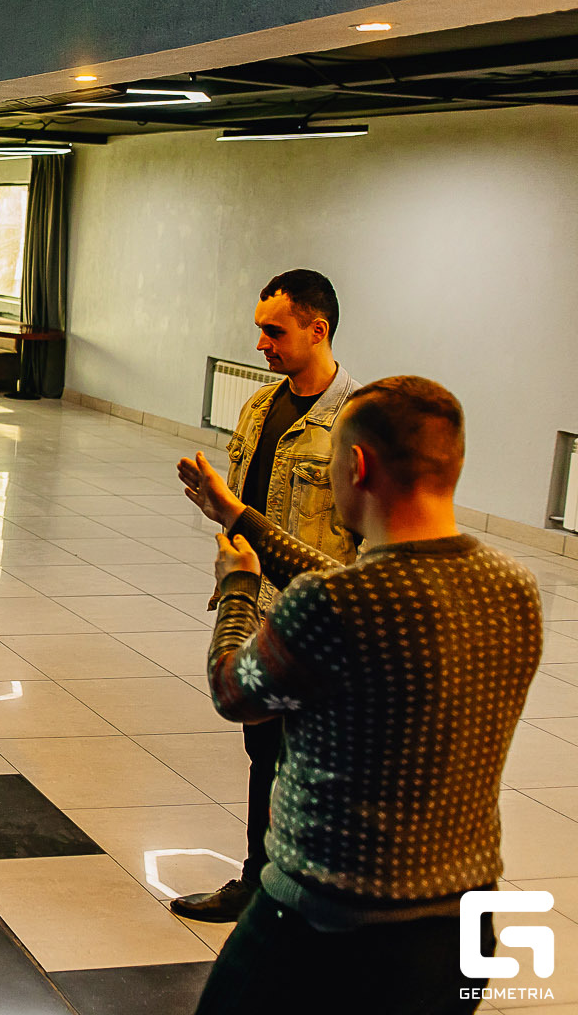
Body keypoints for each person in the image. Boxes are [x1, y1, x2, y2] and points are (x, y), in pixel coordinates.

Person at [178, 377, 540, 1013]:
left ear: (356, 465)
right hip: (460, 927)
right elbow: (363, 587)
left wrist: (238, 587)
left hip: (322, 928)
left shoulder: (334, 605)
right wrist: (239, 515)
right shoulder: (513, 586)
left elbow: (234, 691)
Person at [170, 269, 361, 923]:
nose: (260, 344)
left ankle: (303, 893)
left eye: (274, 331)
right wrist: (215, 506)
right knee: (263, 752)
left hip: (318, 622)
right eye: (259, 330)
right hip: (258, 612)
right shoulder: (258, 407)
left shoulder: (355, 424)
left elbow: (366, 543)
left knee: (309, 763)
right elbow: (248, 506)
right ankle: (259, 882)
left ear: (318, 329)